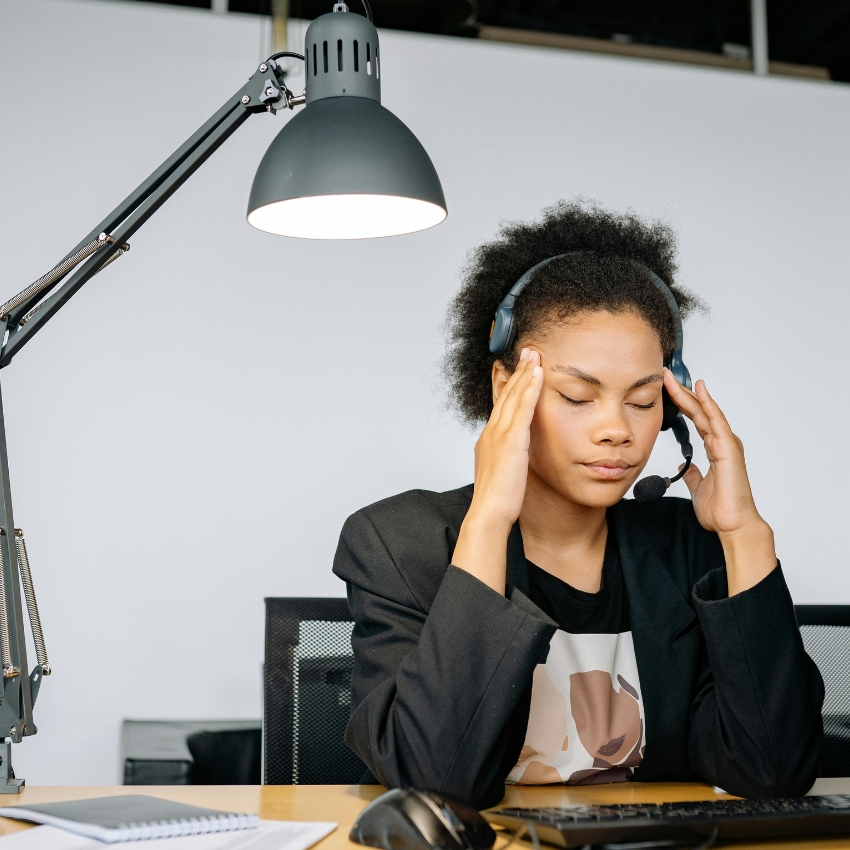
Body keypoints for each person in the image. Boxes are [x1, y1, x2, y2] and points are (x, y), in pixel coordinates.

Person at [332, 201, 824, 809]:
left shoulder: (687, 546)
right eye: (576, 396)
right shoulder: (400, 542)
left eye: (643, 402)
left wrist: (744, 532)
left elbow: (773, 771)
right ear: (505, 388)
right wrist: (489, 517)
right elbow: (436, 782)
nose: (616, 429)